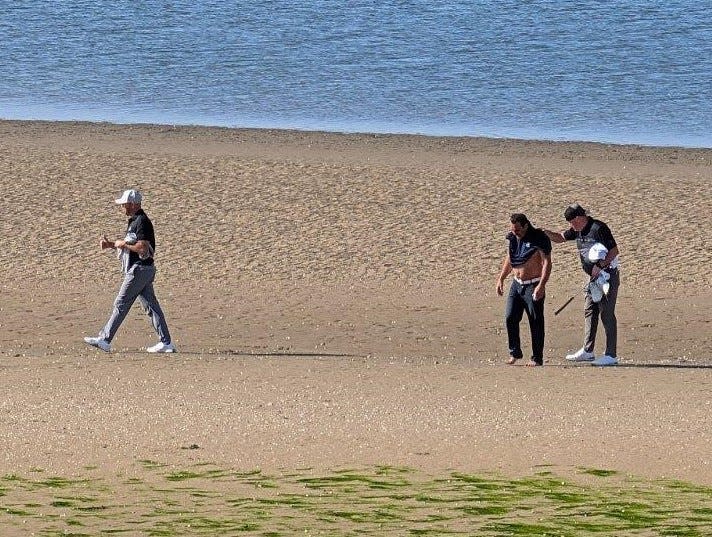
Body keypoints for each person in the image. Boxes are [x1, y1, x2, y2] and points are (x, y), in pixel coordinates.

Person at [84, 189, 176, 353]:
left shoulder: (141, 221)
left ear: (133, 204)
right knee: (151, 307)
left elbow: (142, 247)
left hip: (139, 270)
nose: (122, 207)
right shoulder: (134, 221)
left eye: (124, 204)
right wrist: (111, 245)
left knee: (121, 303)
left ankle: (105, 339)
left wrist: (122, 244)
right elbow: (131, 245)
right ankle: (166, 343)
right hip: (144, 270)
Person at [543, 204, 619, 366]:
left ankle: (611, 355)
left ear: (580, 217)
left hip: (607, 276)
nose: (571, 225)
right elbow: (560, 238)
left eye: (573, 221)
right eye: (570, 222)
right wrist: (544, 233)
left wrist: (601, 265)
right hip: (591, 279)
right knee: (590, 311)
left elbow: (614, 251)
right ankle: (588, 351)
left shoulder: (598, 228)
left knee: (606, 313)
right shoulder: (576, 230)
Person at [496, 213, 552, 367]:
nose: (516, 233)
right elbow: (510, 257)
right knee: (510, 317)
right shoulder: (513, 238)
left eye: (518, 230)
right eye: (513, 230)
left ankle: (537, 358)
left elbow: (547, 262)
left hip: (533, 284)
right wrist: (501, 278)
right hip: (517, 283)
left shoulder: (539, 238)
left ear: (526, 225)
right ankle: (515, 352)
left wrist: (542, 285)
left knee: (535, 321)